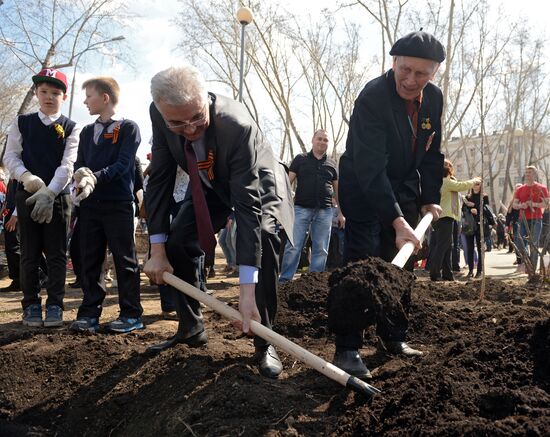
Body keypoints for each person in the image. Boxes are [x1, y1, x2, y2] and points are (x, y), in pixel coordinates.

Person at [143, 65, 293, 379]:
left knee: (265, 236)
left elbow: (248, 208)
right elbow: (158, 179)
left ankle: (264, 340)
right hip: (209, 180)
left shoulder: (235, 125)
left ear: (205, 97)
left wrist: (246, 292)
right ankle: (191, 327)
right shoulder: (159, 115)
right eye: (177, 123)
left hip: (259, 181)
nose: (190, 129)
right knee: (177, 243)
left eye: (197, 117)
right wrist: (156, 249)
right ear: (161, 110)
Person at [334, 31, 445, 378]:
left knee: (403, 265)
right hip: (365, 186)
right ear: (393, 62)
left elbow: (432, 152)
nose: (411, 80)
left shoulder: (434, 99)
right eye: (405, 69)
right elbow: (371, 168)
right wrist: (397, 222)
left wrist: (430, 198)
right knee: (363, 262)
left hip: (405, 185)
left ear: (435, 73)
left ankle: (393, 337)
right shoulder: (372, 98)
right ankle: (348, 347)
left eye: (422, 73)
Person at [3, 68, 79, 327]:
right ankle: (31, 304)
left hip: (58, 198)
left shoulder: (71, 127)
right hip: (27, 194)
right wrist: (27, 178)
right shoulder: (21, 122)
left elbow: (68, 164)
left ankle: (55, 305)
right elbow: (10, 156)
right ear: (36, 93)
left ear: (63, 96)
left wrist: (51, 190)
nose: (49, 97)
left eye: (55, 93)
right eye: (44, 91)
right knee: (29, 252)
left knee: (57, 253)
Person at [69, 76, 143, 333]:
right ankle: (89, 312)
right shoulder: (88, 131)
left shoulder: (128, 128)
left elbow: (123, 165)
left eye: (88, 96)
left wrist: (95, 177)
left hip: (118, 204)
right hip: (90, 205)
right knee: (90, 259)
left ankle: (132, 313)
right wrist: (79, 177)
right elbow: (80, 162)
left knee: (125, 259)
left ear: (105, 97)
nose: (85, 101)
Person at [278, 129, 343, 282]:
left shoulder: (332, 163)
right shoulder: (300, 159)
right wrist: (282, 206)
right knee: (294, 246)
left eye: (325, 140)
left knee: (321, 249)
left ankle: (314, 281)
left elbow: (337, 191)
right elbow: (287, 184)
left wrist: (341, 212)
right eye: (319, 139)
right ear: (312, 140)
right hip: (301, 209)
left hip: (325, 211)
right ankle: (285, 280)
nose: (322, 142)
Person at [429, 159, 479, 281]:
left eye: (448, 165)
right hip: (445, 217)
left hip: (445, 217)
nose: (447, 166)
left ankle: (447, 274)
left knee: (447, 246)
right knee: (442, 246)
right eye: (445, 165)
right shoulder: (446, 182)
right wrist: (474, 181)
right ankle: (434, 273)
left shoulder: (444, 182)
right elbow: (461, 186)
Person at [513, 165, 549, 270]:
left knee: (534, 244)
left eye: (530, 172)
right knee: (519, 243)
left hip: (536, 219)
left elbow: (546, 204)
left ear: (535, 174)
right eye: (527, 172)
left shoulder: (542, 188)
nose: (528, 174)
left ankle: (532, 269)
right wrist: (521, 206)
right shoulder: (520, 189)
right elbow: (515, 205)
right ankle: (528, 263)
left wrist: (534, 204)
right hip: (522, 219)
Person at [464, 182, 490, 278]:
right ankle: (470, 270)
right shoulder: (467, 197)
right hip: (469, 225)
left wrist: (477, 209)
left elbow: (487, 210)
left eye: (478, 184)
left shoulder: (484, 197)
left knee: (480, 249)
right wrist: (469, 209)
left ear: (481, 185)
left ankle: (480, 271)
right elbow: (463, 210)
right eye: (474, 183)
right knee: (470, 248)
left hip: (480, 225)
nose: (475, 185)